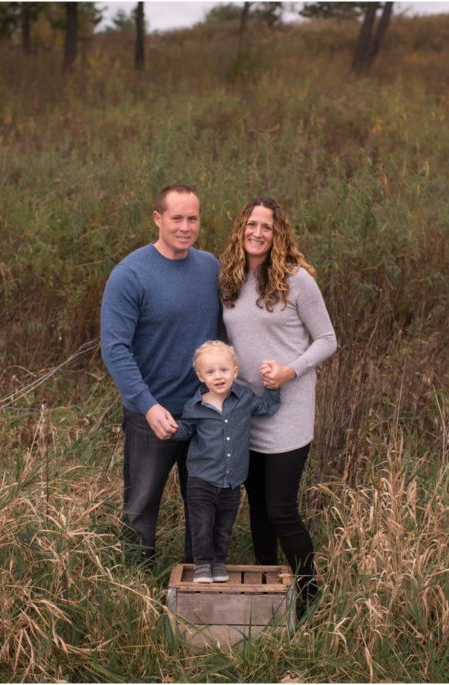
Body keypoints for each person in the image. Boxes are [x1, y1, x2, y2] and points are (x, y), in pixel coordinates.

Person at [218, 197, 337, 612]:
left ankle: (309, 596)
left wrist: (290, 370)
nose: (257, 233)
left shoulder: (296, 280)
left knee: (282, 509)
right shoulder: (230, 279)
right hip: (246, 411)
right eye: (251, 224)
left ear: (277, 233)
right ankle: (269, 593)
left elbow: (327, 339)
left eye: (266, 227)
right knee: (258, 509)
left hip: (289, 411)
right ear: (241, 228)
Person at [100, 184, 221, 563]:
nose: (185, 227)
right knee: (141, 505)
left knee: (204, 503)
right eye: (176, 218)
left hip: (202, 412)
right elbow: (115, 349)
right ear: (158, 218)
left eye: (192, 219)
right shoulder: (130, 275)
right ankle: (135, 583)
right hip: (151, 413)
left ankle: (198, 578)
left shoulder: (210, 267)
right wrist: (147, 405)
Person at [168, 341, 281, 583]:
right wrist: (171, 429)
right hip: (201, 479)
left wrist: (273, 385)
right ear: (201, 377)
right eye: (210, 372)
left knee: (223, 527)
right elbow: (186, 429)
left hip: (232, 480)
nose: (218, 376)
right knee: (202, 525)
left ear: (235, 371)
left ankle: (218, 563)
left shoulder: (244, 398)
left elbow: (267, 407)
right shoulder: (195, 405)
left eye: (224, 370)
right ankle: (202, 565)